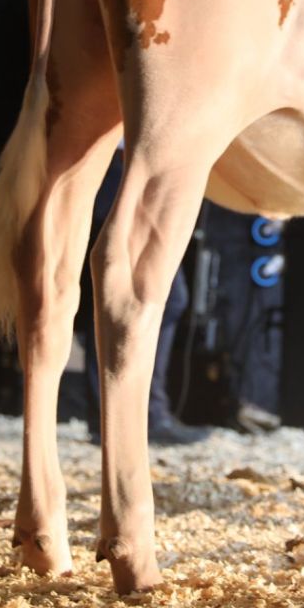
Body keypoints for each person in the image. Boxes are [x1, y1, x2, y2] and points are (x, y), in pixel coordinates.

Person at [81, 146, 211, 446]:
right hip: (124, 176)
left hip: (133, 177)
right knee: (124, 302)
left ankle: (122, 416)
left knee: (128, 302)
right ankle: (137, 416)